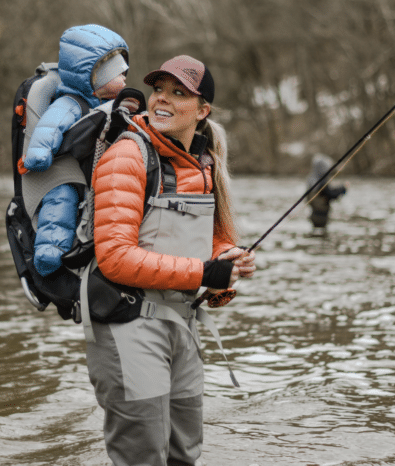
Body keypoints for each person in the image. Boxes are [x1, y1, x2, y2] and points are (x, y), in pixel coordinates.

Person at [85, 55, 256, 466]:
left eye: (179, 93)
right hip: (127, 324)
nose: (162, 99)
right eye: (159, 89)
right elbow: (114, 258)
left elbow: (212, 244)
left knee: (184, 453)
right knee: (142, 456)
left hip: (183, 323)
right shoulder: (126, 157)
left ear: (202, 111)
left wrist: (227, 265)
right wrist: (204, 272)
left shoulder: (205, 164)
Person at [18, 24, 130, 276]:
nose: (125, 78)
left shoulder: (110, 106)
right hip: (61, 173)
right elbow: (49, 128)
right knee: (61, 204)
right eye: (118, 73)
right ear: (96, 75)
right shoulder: (70, 103)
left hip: (88, 171)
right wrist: (38, 155)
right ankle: (49, 255)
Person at [305, 153, 347, 235]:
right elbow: (331, 194)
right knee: (321, 235)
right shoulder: (321, 182)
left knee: (316, 234)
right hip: (321, 217)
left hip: (314, 215)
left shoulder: (311, 179)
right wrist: (343, 188)